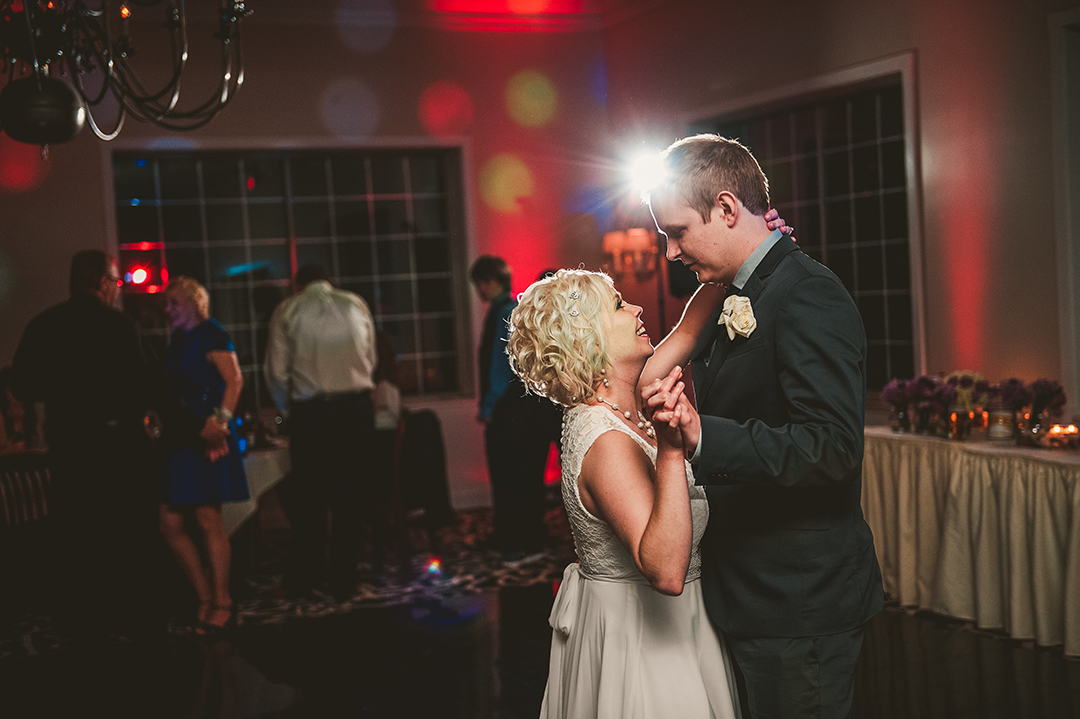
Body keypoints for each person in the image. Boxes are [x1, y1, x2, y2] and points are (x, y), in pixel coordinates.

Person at [644, 134, 884, 719]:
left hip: (798, 602)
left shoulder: (807, 295)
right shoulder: (737, 287)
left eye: (677, 232)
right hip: (748, 592)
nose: (671, 253)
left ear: (727, 209)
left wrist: (703, 437)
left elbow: (832, 447)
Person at [507, 268, 741, 718]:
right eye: (617, 305)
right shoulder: (605, 441)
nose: (635, 308)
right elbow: (667, 572)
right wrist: (671, 453)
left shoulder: (625, 395)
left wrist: (737, 256)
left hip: (683, 625)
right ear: (587, 339)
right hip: (642, 641)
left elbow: (692, 325)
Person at [9, 250, 228, 638]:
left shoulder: (44, 324)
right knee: (126, 532)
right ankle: (133, 619)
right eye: (116, 282)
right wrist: (198, 427)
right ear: (104, 283)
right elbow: (156, 391)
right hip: (119, 446)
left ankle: (82, 622)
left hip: (70, 447)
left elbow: (23, 384)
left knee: (78, 533)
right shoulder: (119, 327)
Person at [264, 264, 378, 599]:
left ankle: (305, 579)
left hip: (312, 413)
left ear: (299, 284)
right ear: (329, 281)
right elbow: (369, 359)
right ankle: (344, 581)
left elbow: (276, 370)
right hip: (356, 410)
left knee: (310, 500)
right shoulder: (354, 303)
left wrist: (288, 410)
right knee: (350, 499)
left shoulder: (288, 309)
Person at [158, 276, 250, 634]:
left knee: (208, 518)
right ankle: (204, 594)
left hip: (210, 433)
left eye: (174, 304)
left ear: (195, 303)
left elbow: (235, 380)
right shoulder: (177, 341)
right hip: (182, 435)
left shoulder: (211, 332)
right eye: (166, 305)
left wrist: (221, 424)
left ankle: (222, 599)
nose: (168, 311)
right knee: (169, 523)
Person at [470, 256, 550, 566]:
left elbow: (500, 370)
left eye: (480, 283)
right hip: (524, 412)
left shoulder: (504, 313)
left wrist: (488, 407)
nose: (479, 290)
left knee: (513, 479)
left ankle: (522, 543)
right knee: (523, 477)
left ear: (489, 281)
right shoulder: (511, 310)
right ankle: (519, 537)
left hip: (512, 413)